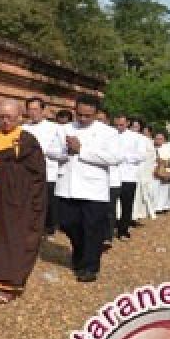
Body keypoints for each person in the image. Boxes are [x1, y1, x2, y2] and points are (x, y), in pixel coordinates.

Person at [0, 99, 47, 303]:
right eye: (0, 117)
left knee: (14, 239)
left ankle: (10, 284)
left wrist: (6, 168)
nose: (4, 121)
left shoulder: (26, 140)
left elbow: (37, 173)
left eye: (9, 118)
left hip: (19, 200)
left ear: (19, 118)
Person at [50, 95, 120, 283]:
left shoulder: (109, 133)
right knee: (68, 223)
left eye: (87, 116)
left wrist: (83, 151)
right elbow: (51, 151)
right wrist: (66, 151)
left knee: (92, 229)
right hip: (68, 186)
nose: (82, 119)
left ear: (96, 114)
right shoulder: (64, 129)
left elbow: (113, 158)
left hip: (94, 189)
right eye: (79, 114)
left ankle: (89, 267)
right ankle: (80, 252)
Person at [23, 97, 64, 238]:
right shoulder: (24, 128)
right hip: (28, 172)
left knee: (48, 203)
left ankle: (49, 228)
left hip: (49, 171)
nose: (33, 113)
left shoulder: (55, 128)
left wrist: (45, 151)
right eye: (30, 109)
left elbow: (62, 151)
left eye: (36, 109)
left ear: (43, 110)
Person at [112, 114, 147, 239]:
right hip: (112, 175)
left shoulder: (137, 138)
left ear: (127, 124)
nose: (118, 127)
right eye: (116, 125)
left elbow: (142, 155)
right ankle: (108, 231)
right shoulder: (110, 135)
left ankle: (123, 230)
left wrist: (124, 157)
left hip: (129, 176)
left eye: (121, 125)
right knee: (110, 205)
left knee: (126, 205)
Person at [132, 121, 158, 223]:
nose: (134, 128)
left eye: (137, 126)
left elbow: (151, 156)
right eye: (133, 126)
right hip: (127, 173)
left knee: (138, 195)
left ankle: (135, 216)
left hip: (142, 171)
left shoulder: (145, 140)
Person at [153, 131, 170, 212]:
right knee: (155, 189)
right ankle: (155, 207)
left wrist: (166, 163)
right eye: (157, 139)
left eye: (160, 139)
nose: (158, 140)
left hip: (166, 170)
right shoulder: (152, 148)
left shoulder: (168, 148)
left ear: (164, 140)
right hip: (155, 171)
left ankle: (164, 206)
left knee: (165, 189)